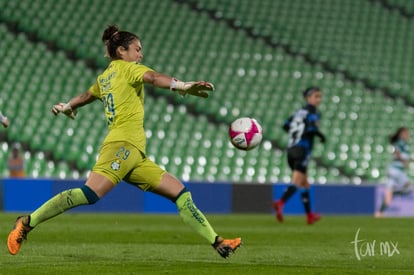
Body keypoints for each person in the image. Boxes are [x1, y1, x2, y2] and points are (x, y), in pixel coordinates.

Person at [7, 25, 241, 258]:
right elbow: (153, 77)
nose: (140, 55)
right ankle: (27, 222)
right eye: (137, 49)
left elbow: (87, 96)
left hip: (136, 155)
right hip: (121, 146)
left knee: (181, 194)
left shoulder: (105, 76)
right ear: (121, 51)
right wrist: (182, 85)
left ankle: (218, 241)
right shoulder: (129, 69)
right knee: (89, 194)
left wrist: (69, 105)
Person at [272, 87, 325, 225]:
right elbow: (312, 129)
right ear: (308, 98)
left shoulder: (297, 113)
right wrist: (321, 136)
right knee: (297, 182)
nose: (319, 99)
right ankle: (281, 202)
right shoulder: (313, 112)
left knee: (304, 183)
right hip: (302, 149)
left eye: (320, 96)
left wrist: (295, 134)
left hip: (291, 149)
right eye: (316, 96)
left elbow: (285, 126)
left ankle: (309, 215)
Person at [375, 127, 412, 218]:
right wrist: (403, 161)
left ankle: (379, 213)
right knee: (408, 187)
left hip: (394, 170)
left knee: (388, 195)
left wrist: (408, 160)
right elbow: (397, 152)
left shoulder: (403, 144)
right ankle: (394, 192)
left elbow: (405, 156)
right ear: (401, 134)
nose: (408, 135)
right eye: (406, 133)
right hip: (396, 170)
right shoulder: (400, 142)